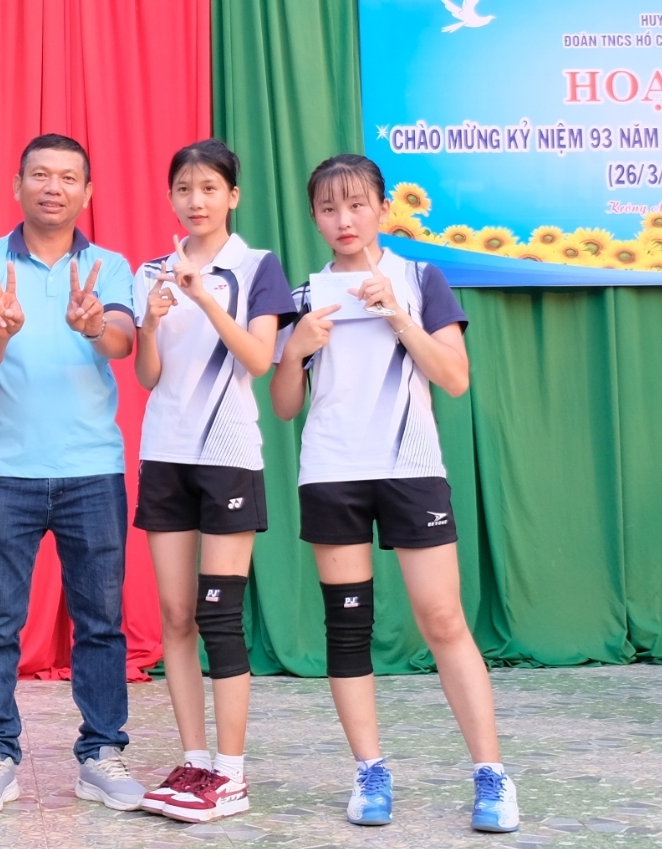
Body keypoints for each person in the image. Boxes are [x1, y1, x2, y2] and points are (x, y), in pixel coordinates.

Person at [268, 153, 520, 833]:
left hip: (410, 469)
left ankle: (491, 774)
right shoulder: (305, 294)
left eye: (356, 204)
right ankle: (369, 770)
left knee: (443, 620)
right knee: (347, 626)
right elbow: (285, 405)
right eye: (328, 208)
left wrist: (397, 317)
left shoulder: (419, 278)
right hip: (331, 472)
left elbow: (455, 378)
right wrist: (296, 348)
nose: (343, 219)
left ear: (382, 208)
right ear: (314, 216)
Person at [0, 133, 145, 815]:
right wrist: (0, 329)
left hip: (92, 468)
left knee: (101, 621)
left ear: (87, 192)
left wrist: (93, 325)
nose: (52, 187)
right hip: (4, 470)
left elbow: (123, 341)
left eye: (67, 177)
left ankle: (101, 752)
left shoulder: (109, 266)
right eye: (40, 174)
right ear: (17, 185)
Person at [131, 140, 296, 823]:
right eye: (183, 189)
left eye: (208, 188)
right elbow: (146, 375)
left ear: (232, 196)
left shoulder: (257, 267)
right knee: (174, 615)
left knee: (217, 615)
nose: (195, 201)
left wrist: (204, 300)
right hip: (164, 455)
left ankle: (231, 771)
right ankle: (195, 759)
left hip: (227, 455)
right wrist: (150, 321)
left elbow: (259, 359)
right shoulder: (150, 271)